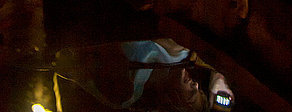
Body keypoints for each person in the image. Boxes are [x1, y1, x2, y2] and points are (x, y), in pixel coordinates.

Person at [54, 38, 235, 111]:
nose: (196, 84)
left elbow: (75, 64)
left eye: (191, 95)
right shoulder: (186, 58)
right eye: (200, 89)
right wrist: (218, 78)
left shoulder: (125, 92)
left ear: (173, 101)